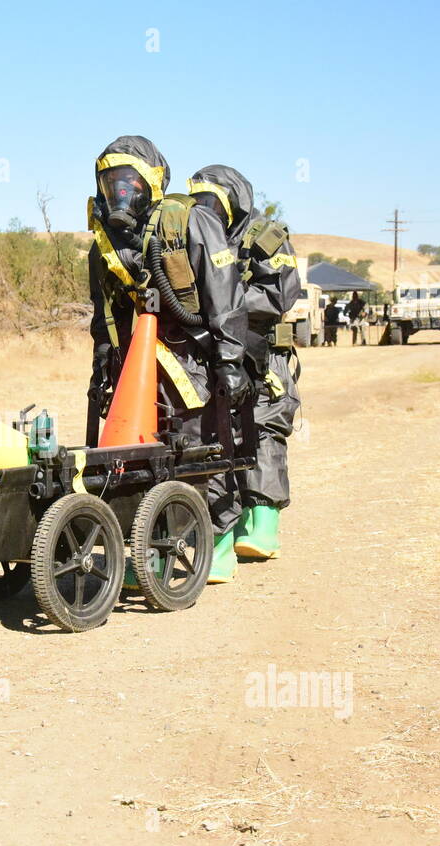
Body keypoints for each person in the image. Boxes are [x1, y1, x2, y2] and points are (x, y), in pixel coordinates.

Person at [86, 136, 250, 584]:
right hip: (134, 370)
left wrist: (230, 362)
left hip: (192, 361)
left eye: (131, 181)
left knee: (200, 451)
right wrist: (103, 370)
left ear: (153, 184)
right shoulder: (103, 243)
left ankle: (216, 543)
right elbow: (105, 316)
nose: (121, 192)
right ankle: (144, 553)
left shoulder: (190, 224)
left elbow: (224, 295)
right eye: (111, 181)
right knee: (132, 460)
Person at [188, 166, 302, 561]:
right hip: (221, 355)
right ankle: (223, 525)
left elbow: (279, 296)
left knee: (265, 428)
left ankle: (264, 520)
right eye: (198, 203)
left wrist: (224, 295)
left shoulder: (265, 237)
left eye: (214, 203)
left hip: (265, 355)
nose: (206, 211)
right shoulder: (197, 237)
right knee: (220, 435)